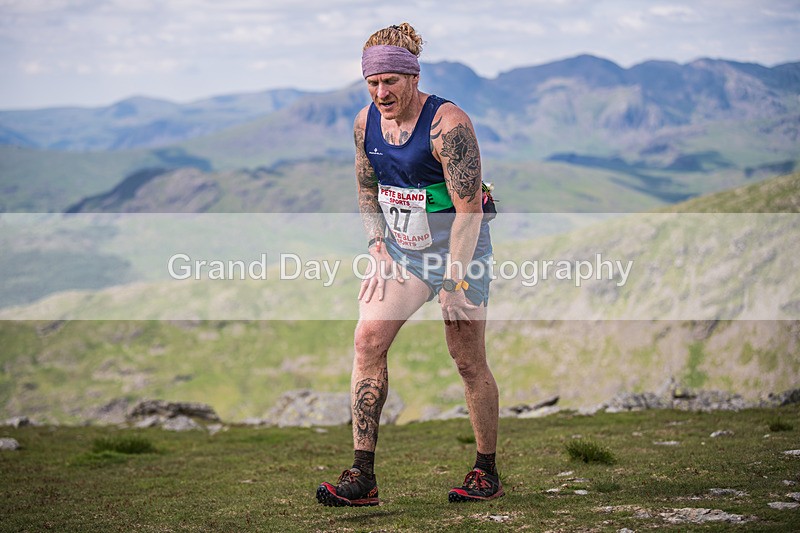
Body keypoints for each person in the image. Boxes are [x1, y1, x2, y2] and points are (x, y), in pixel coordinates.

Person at [316, 22, 502, 506]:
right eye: (372, 83)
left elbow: (469, 210)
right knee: (367, 340)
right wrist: (377, 246)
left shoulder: (449, 125)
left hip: (461, 250)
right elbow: (365, 188)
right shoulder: (365, 123)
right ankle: (362, 477)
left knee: (466, 361)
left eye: (390, 82)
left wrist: (455, 280)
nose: (381, 93)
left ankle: (486, 471)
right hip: (404, 253)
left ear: (412, 77)